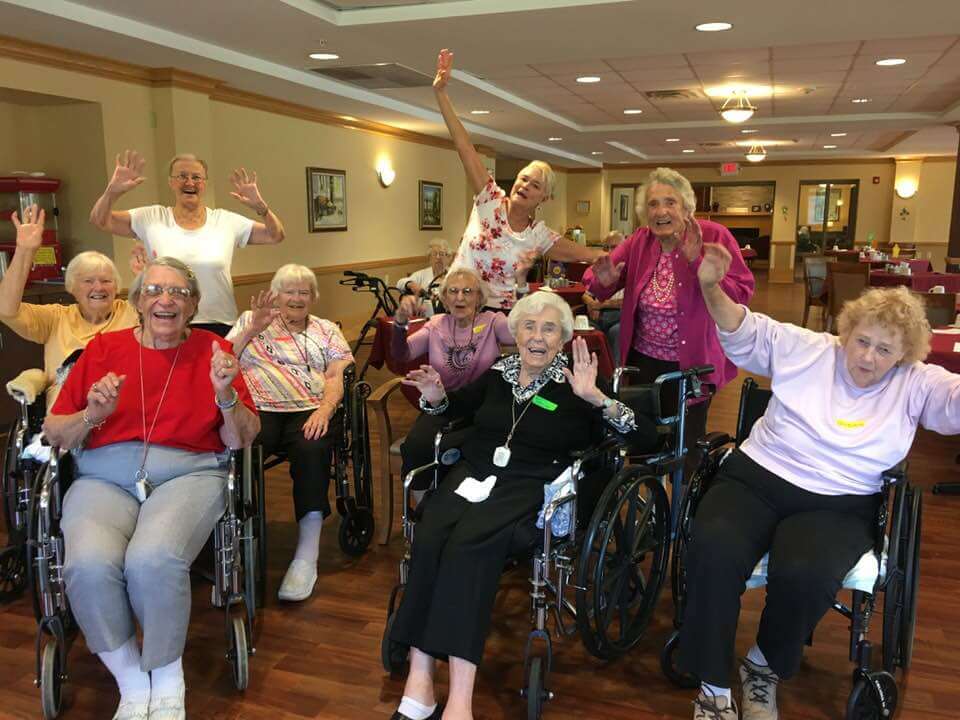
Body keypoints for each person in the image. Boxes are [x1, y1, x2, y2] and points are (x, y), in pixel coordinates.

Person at [679, 255, 960, 720]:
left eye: (885, 350)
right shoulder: (809, 347)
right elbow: (747, 332)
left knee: (807, 571)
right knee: (713, 546)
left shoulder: (916, 382)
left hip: (842, 499)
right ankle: (712, 687)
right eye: (861, 341)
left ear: (905, 355)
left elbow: (952, 403)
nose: (868, 357)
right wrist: (712, 287)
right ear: (845, 332)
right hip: (759, 475)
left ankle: (763, 666)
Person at [387, 291, 657, 720]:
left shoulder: (578, 383)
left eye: (549, 328)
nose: (537, 336)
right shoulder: (499, 372)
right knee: (432, 533)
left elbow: (648, 438)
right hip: (474, 474)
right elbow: (456, 408)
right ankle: (419, 678)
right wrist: (437, 394)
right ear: (515, 333)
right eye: (529, 326)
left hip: (531, 482)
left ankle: (459, 699)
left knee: (467, 547)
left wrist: (597, 399)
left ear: (563, 338)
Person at [43, 256, 259, 720]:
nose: (166, 300)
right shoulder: (103, 350)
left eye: (179, 292)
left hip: (189, 472)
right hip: (104, 475)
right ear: (138, 301)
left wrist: (226, 395)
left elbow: (240, 438)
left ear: (195, 303)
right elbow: (55, 433)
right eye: (155, 290)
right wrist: (92, 416)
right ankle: (130, 680)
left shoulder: (213, 349)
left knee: (153, 559)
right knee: (87, 563)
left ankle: (166, 676)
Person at [583, 167, 754, 472]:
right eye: (652, 204)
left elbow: (742, 293)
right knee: (641, 437)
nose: (661, 210)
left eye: (670, 202)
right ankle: (649, 502)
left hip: (693, 364)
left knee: (686, 446)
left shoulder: (714, 236)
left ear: (687, 207)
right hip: (643, 361)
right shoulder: (640, 241)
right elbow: (595, 281)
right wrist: (604, 280)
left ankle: (682, 509)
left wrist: (698, 262)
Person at [432, 49, 602, 312]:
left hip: (500, 314)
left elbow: (587, 254)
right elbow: (464, 146)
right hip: (457, 302)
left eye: (535, 185)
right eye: (523, 179)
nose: (525, 186)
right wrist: (441, 94)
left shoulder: (539, 236)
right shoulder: (489, 199)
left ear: (544, 197)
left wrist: (632, 252)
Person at [226, 264, 354, 602]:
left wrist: (325, 410)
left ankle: (306, 557)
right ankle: (236, 541)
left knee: (313, 449)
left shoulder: (326, 330)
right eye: (289, 291)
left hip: (309, 409)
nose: (296, 298)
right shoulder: (249, 320)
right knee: (237, 447)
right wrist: (251, 329)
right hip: (258, 409)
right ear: (275, 294)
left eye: (303, 292)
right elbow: (223, 362)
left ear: (313, 297)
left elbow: (337, 375)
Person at [89, 150, 286, 335]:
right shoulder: (151, 217)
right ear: (171, 182)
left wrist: (261, 208)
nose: (189, 182)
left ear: (204, 183)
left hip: (220, 323)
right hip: (165, 321)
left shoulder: (226, 221)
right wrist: (111, 193)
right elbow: (100, 220)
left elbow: (274, 235)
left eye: (196, 177)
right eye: (182, 176)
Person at [0, 205, 138, 406]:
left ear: (117, 287)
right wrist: (24, 251)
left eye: (106, 281)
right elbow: (5, 309)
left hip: (121, 408)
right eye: (88, 281)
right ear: (71, 287)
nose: (98, 287)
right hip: (67, 414)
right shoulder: (55, 318)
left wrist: (146, 274)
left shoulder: (131, 312)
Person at [391, 266, 514, 484]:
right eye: (453, 291)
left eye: (468, 291)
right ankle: (421, 512)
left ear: (479, 297)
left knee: (477, 452)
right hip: (442, 404)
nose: (460, 297)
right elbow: (402, 354)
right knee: (416, 447)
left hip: (484, 407)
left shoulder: (493, 322)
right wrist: (400, 324)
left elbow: (520, 334)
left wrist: (520, 288)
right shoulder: (436, 325)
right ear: (445, 299)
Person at [583, 231, 625, 359]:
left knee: (616, 332)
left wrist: (599, 305)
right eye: (606, 247)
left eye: (614, 246)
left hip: (619, 316)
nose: (609, 251)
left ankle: (614, 375)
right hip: (597, 316)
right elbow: (585, 295)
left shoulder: (629, 268)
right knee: (584, 332)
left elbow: (626, 301)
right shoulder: (597, 268)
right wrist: (591, 305)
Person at [397, 238, 452, 316]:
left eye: (441, 254)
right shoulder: (422, 274)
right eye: (434, 254)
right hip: (427, 319)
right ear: (429, 257)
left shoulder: (454, 274)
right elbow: (400, 284)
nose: (438, 257)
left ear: (448, 257)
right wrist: (411, 284)